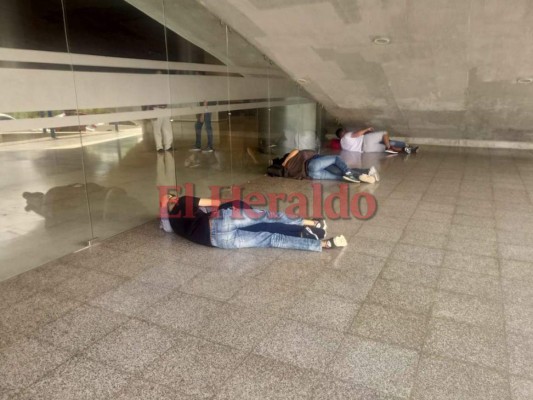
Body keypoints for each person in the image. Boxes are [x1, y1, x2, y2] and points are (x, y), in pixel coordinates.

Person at [160, 195, 346, 251]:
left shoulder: (171, 224)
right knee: (268, 215)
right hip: (219, 222)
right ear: (174, 200)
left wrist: (163, 202)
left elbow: (165, 223)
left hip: (218, 243)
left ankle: (324, 244)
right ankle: (313, 223)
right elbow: (217, 203)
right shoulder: (185, 201)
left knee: (271, 240)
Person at [272, 149, 380, 183]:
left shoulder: (286, 171)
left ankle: (366, 174)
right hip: (312, 165)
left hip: (312, 175)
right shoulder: (289, 160)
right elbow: (296, 150)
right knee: (336, 159)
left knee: (339, 175)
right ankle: (353, 173)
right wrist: (285, 160)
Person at [335, 127, 419, 154]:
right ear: (342, 133)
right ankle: (404, 145)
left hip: (366, 150)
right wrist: (366, 129)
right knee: (384, 133)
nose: (346, 131)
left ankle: (405, 149)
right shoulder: (346, 135)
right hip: (366, 141)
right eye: (345, 130)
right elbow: (357, 134)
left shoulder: (343, 145)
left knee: (386, 146)